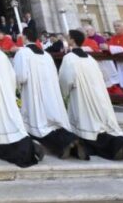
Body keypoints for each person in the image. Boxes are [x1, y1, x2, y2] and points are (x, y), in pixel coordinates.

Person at [59, 30, 123, 162]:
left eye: (68, 38)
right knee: (100, 126)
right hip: (98, 96)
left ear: (71, 40)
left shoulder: (69, 58)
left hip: (81, 97)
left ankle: (117, 147)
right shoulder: (90, 59)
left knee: (89, 128)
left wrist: (64, 94)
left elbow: (66, 80)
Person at [0, 29, 42, 167]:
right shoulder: (0, 53)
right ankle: (27, 147)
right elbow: (12, 74)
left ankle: (15, 151)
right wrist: (9, 92)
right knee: (10, 120)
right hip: (5, 93)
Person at [13, 29, 87, 159]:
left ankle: (65, 144)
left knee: (40, 125)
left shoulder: (22, 53)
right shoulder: (46, 54)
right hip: (51, 93)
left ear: (24, 37)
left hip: (34, 93)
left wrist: (16, 86)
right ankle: (72, 139)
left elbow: (21, 76)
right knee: (54, 123)